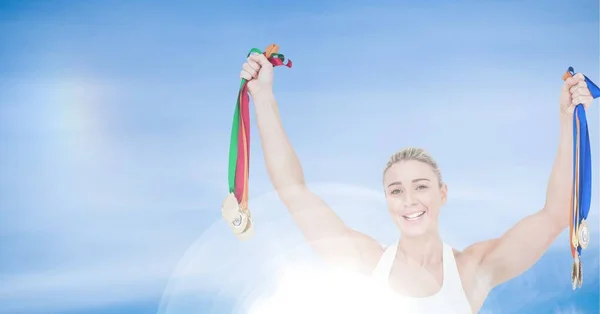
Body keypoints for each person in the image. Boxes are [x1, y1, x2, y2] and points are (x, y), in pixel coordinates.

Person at [238, 53, 595, 313]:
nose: (409, 199)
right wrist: (263, 96)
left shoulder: (473, 270)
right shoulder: (366, 262)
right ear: (387, 200)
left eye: (421, 186)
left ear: (442, 194)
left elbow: (553, 215)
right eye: (396, 190)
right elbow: (294, 191)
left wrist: (567, 119)